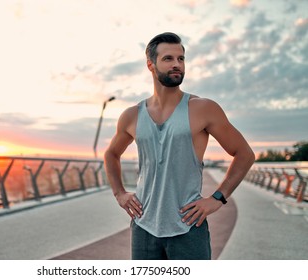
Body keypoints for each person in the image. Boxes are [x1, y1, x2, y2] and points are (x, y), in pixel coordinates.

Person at [104, 32, 255, 260]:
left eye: (181, 59)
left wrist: (217, 198)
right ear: (150, 64)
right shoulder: (132, 115)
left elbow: (244, 154)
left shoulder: (203, 108)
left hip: (188, 226)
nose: (177, 64)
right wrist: (119, 194)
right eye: (168, 59)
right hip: (144, 225)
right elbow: (111, 154)